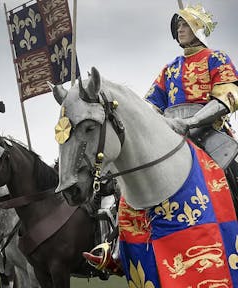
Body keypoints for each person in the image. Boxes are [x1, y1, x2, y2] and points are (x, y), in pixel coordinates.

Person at [83, 4, 238, 272]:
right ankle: (116, 247)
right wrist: (154, 125)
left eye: (186, 24)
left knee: (234, 174)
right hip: (170, 133)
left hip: (208, 133)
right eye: (178, 25)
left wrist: (190, 122)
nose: (180, 29)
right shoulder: (170, 69)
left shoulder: (216, 58)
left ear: (200, 29)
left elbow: (227, 96)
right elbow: (150, 105)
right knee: (131, 183)